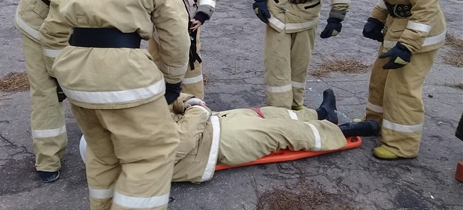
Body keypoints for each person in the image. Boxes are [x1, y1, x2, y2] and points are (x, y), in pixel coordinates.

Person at [39, 0, 191, 210]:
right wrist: (173, 80)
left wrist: (58, 74)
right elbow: (175, 35)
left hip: (76, 78)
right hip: (124, 75)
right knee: (152, 153)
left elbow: (52, 31)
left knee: (102, 152)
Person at [80, 89, 380, 183]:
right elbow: (180, 143)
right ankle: (340, 132)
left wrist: (184, 101)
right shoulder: (135, 157)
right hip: (213, 148)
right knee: (279, 131)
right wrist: (196, 110)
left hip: (210, 128)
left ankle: (319, 115)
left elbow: (162, 101)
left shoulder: (128, 130)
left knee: (265, 113)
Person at [356, 0, 446, 160]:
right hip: (397, 27)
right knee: (380, 78)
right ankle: (375, 123)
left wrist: (407, 46)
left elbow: (425, 9)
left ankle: (402, 144)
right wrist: (376, 18)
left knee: (402, 89)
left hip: (420, 35)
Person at [15, 0, 88, 182]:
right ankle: (48, 159)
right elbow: (53, 38)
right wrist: (59, 76)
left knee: (86, 80)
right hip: (38, 21)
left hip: (68, 25)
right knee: (47, 91)